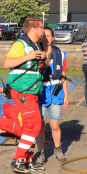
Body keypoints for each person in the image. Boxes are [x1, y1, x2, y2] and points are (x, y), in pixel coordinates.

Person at [3, 17, 46, 174]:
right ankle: (18, 159)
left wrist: (43, 59)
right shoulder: (20, 44)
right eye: (41, 27)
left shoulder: (34, 45)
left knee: (33, 125)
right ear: (33, 29)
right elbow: (7, 63)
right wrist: (29, 56)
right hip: (22, 90)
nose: (44, 31)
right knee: (33, 125)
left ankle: (27, 160)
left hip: (32, 90)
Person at [35, 27, 69, 164]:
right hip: (41, 90)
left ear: (53, 38)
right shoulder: (35, 53)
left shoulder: (60, 54)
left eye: (48, 36)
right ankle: (41, 153)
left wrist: (66, 95)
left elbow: (63, 76)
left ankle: (58, 148)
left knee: (54, 124)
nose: (45, 38)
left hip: (56, 89)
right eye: (43, 35)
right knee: (41, 124)